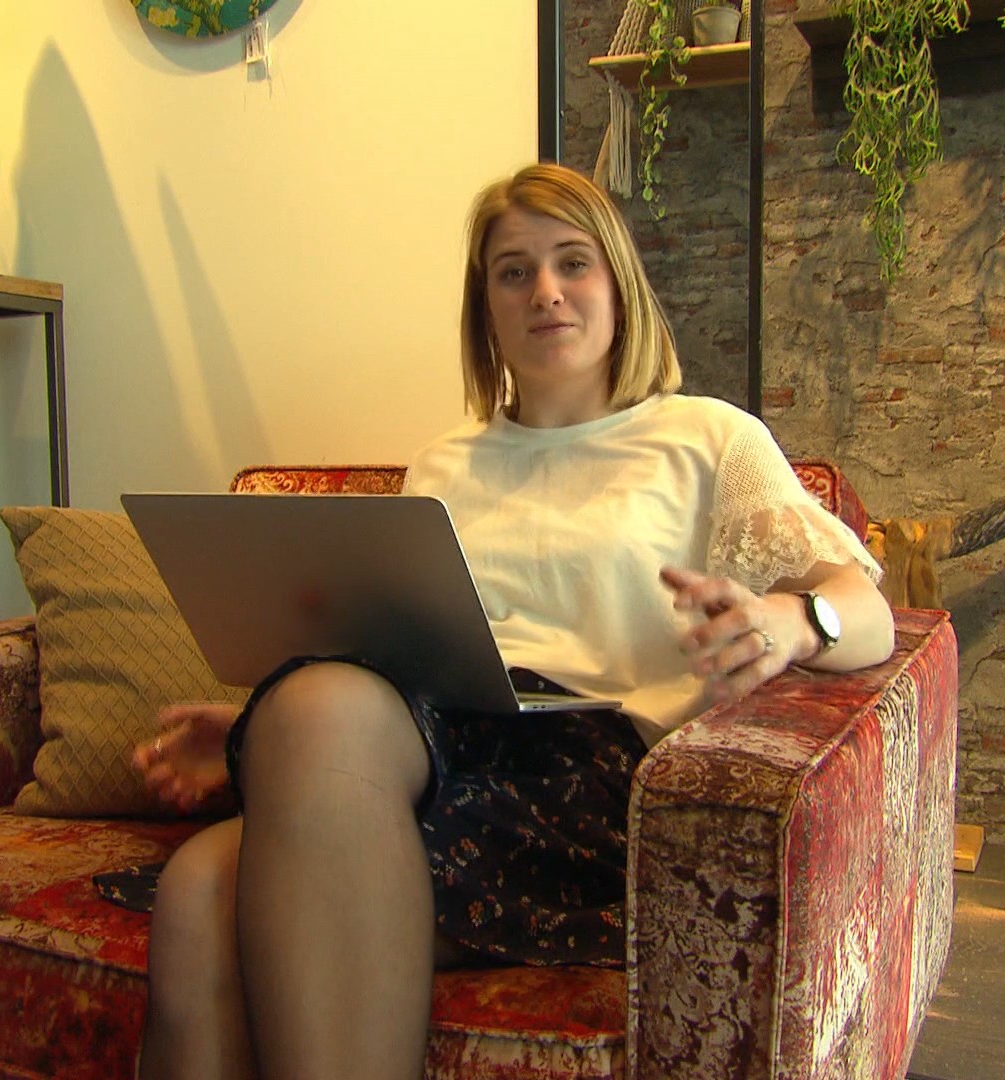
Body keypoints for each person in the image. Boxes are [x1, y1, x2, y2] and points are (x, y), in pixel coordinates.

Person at [123, 162, 896, 1080]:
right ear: (484, 306)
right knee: (197, 887)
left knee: (221, 869)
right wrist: (264, 740)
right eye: (514, 272)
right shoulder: (444, 464)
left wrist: (791, 621)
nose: (546, 292)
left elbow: (872, 613)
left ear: (619, 285)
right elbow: (400, 665)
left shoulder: (708, 439)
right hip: (440, 747)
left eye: (573, 262)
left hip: (589, 774)